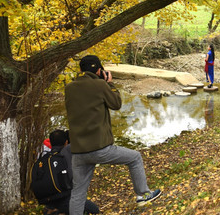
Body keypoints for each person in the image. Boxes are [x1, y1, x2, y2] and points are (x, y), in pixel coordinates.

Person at [65, 55, 161, 214]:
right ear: (98, 70)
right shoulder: (100, 85)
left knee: (78, 191)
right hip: (99, 148)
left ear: (81, 70)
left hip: (78, 151)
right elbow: (116, 104)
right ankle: (143, 195)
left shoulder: (69, 88)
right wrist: (110, 84)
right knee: (135, 158)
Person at [39, 129, 99, 215]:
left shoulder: (44, 156)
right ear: (66, 142)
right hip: (64, 197)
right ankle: (58, 212)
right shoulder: (66, 154)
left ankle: (51, 208)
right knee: (94, 210)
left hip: (46, 198)